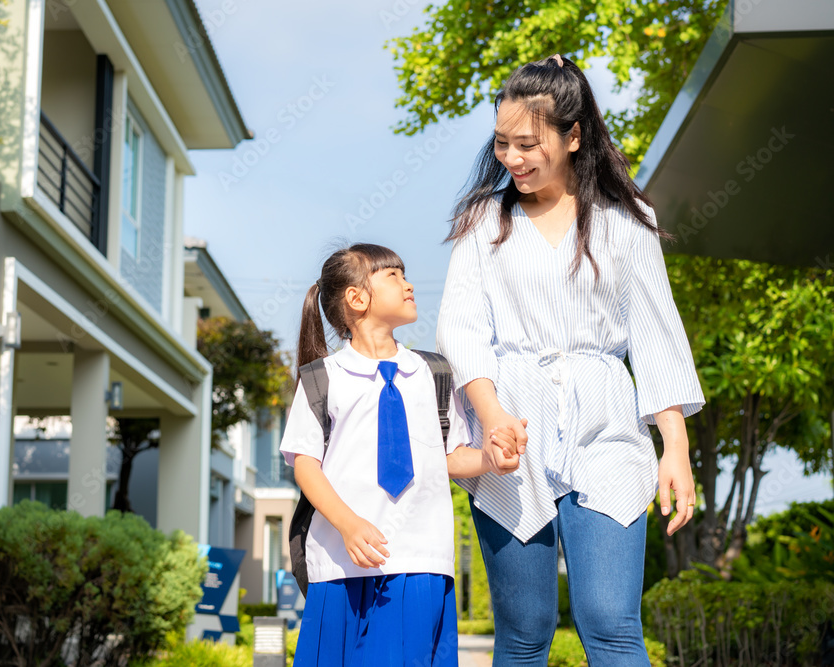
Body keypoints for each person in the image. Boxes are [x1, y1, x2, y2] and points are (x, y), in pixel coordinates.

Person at [436, 55, 705, 666]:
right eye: (502, 143)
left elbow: (655, 336)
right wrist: (492, 414)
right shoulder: (484, 222)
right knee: (524, 631)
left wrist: (676, 450)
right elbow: (461, 327)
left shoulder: (627, 221)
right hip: (510, 429)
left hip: (606, 426)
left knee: (611, 623)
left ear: (573, 135)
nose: (512, 158)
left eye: (528, 144)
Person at [281, 243, 519, 667]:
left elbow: (449, 456)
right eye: (393, 275)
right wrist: (348, 524)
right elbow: (305, 464)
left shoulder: (432, 372)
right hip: (340, 563)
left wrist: (489, 459)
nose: (408, 284)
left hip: (420, 556)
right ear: (356, 298)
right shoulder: (322, 379)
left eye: (405, 274)